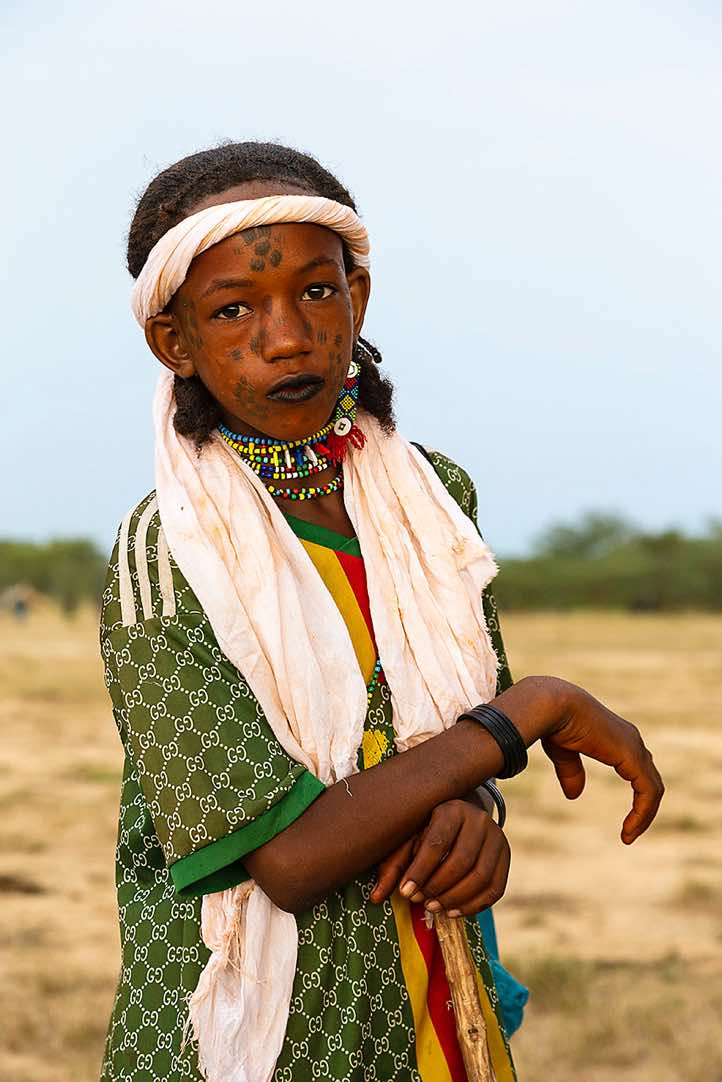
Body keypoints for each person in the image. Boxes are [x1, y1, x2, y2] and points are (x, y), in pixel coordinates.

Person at [100, 142, 664, 1082]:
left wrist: (476, 814)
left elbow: (447, 738)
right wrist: (534, 710)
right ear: (175, 342)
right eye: (233, 308)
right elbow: (286, 858)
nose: (286, 338)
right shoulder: (169, 553)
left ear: (357, 300)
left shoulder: (430, 499)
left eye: (316, 292)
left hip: (434, 1011)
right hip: (267, 1036)